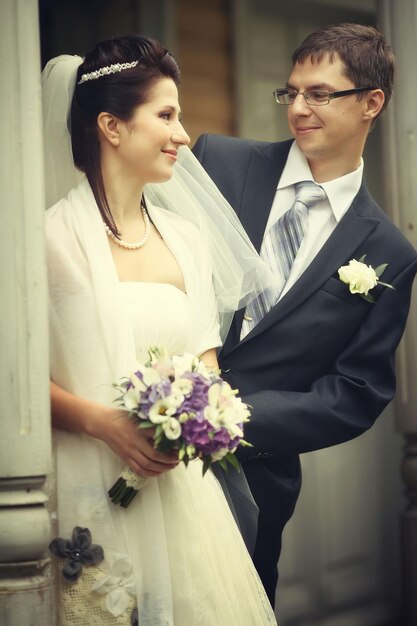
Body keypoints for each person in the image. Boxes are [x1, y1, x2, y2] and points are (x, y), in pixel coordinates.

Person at [43, 35, 277, 625]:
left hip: (180, 499)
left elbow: (207, 369)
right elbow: (9, 379)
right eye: (166, 115)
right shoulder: (46, 240)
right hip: (81, 484)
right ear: (112, 126)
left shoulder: (188, 240)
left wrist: (199, 422)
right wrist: (103, 424)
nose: (182, 135)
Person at [193, 22, 417, 607]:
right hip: (144, 438)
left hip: (258, 478)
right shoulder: (216, 163)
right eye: (291, 92)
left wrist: (235, 419)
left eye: (319, 94)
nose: (298, 108)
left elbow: (357, 392)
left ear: (372, 103)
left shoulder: (390, 252)